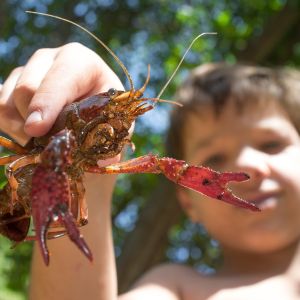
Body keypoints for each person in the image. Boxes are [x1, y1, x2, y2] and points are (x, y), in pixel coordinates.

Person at [1, 43, 300, 300]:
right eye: (216, 157)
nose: (249, 164)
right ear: (187, 201)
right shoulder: (176, 287)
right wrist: (91, 180)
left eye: (271, 143)